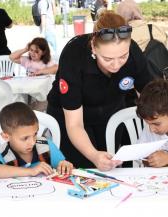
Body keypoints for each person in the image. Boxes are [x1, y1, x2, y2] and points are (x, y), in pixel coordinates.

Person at [46, 11, 153, 171]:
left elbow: (151, 97)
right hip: (70, 118)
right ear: (93, 47)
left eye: (123, 57)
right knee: (84, 170)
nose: (116, 65)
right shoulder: (74, 55)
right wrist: (94, 155)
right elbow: (74, 124)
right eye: (108, 59)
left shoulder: (134, 53)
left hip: (110, 114)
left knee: (113, 167)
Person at [0, 102, 73, 178]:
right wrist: (30, 171)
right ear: (6, 136)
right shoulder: (2, 153)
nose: (33, 142)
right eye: (25, 138)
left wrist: (65, 165)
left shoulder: (46, 146)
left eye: (35, 134)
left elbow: (62, 165)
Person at [116, 0, 168, 68]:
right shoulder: (155, 28)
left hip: (133, 74)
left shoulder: (119, 35)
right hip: (160, 73)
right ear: (139, 12)